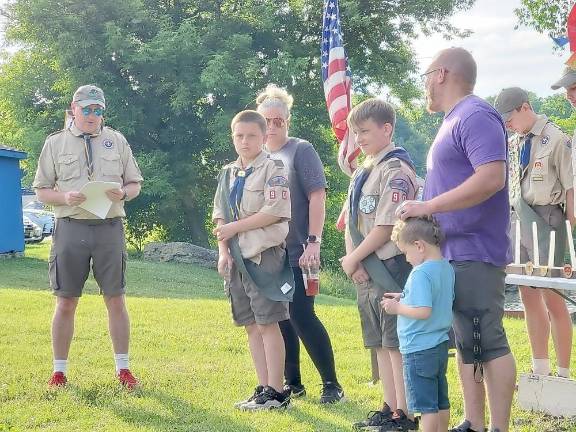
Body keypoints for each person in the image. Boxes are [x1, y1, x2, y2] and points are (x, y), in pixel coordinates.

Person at [398, 48, 516, 432]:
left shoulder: (476, 114)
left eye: (426, 76)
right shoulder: (451, 120)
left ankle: (497, 427)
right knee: (467, 340)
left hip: (476, 250)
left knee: (487, 339)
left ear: (441, 74)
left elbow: (490, 178)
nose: (425, 85)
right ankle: (474, 423)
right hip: (451, 251)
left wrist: (428, 204)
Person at [33, 85, 143, 389]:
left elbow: (134, 184)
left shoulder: (116, 140)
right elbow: (41, 191)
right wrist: (64, 196)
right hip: (71, 228)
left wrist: (124, 192)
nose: (93, 115)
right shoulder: (55, 143)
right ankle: (59, 371)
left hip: (109, 227)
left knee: (116, 299)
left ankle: (123, 369)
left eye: (98, 110)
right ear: (74, 107)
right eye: (87, 109)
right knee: (66, 301)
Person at [255, 84, 344, 403]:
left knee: (302, 315)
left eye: (279, 120)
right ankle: (292, 383)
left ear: (288, 121)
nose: (273, 126)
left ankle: (332, 385)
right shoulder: (258, 157)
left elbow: (318, 196)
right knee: (280, 317)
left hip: (299, 250)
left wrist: (314, 242)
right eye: (268, 120)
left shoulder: (300, 150)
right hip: (269, 254)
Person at [341, 98, 419, 431]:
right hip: (365, 269)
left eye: (364, 131)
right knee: (380, 345)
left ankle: (406, 414)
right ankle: (389, 407)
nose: (358, 138)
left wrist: (355, 258)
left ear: (387, 129)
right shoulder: (365, 170)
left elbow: (387, 226)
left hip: (391, 267)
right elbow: (352, 222)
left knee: (396, 344)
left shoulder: (397, 170)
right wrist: (354, 261)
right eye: (355, 132)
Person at [212, 110, 292, 410]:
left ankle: (276, 391)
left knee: (268, 322)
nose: (244, 142)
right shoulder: (228, 172)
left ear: (264, 136)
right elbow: (219, 214)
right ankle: (262, 387)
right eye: (239, 136)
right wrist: (223, 252)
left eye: (251, 136)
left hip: (263, 255)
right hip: (236, 257)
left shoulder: (275, 168)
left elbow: (275, 211)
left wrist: (235, 228)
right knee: (250, 325)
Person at [494, 87, 573, 379]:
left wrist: (568, 225)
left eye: (510, 118)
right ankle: (540, 367)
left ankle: (562, 373)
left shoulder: (556, 138)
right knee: (527, 291)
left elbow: (570, 188)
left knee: (553, 294)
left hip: (549, 218)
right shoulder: (514, 143)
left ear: (525, 107)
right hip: (520, 218)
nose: (508, 125)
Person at [382, 216, 455, 432]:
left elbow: (423, 311)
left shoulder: (421, 273)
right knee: (441, 401)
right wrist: (405, 296)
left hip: (418, 349)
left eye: (405, 252)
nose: (406, 259)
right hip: (439, 345)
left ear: (419, 246)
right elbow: (435, 298)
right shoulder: (445, 267)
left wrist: (397, 308)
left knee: (426, 407)